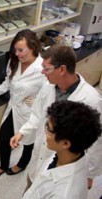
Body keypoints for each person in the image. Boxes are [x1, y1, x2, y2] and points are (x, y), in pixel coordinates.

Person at [10, 45, 102, 190]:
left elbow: (96, 142)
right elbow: (37, 114)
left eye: (47, 69)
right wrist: (22, 132)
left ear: (62, 69)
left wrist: (89, 174)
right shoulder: (48, 86)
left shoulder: (91, 100)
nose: (43, 72)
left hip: (65, 169)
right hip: (40, 158)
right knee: (32, 187)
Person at [0, 29, 47, 178]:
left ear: (33, 48)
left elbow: (52, 91)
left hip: (31, 112)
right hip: (14, 108)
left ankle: (22, 164)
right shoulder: (15, 61)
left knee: (28, 142)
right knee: (3, 139)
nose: (17, 54)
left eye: (21, 50)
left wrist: (40, 101)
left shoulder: (42, 69)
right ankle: (3, 165)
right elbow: (8, 82)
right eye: (15, 50)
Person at [22, 100, 102, 199]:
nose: (45, 132)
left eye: (48, 128)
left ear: (65, 143)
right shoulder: (66, 155)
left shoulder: (65, 194)